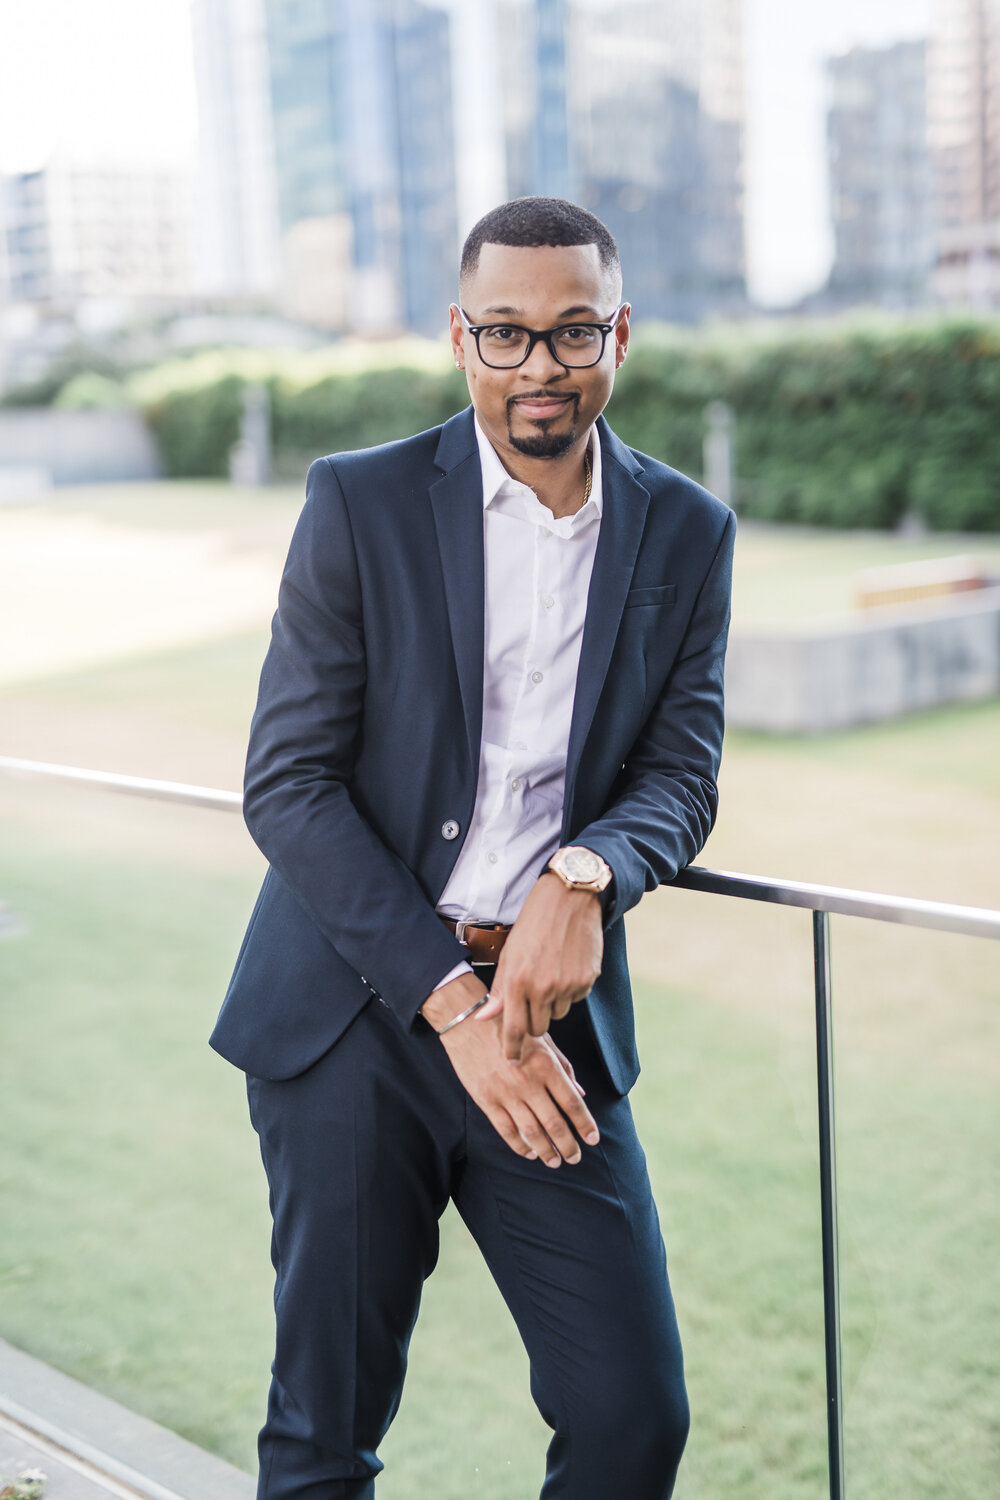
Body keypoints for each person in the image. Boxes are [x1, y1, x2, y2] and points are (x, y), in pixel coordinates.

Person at [211, 196, 735, 1500]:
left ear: (620, 333)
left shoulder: (687, 530)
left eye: (570, 333)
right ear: (462, 337)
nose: (539, 366)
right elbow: (287, 785)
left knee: (632, 1419)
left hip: (547, 1028)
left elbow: (681, 772)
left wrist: (586, 873)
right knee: (323, 1438)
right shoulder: (360, 502)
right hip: (353, 1022)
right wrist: (448, 1001)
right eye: (506, 334)